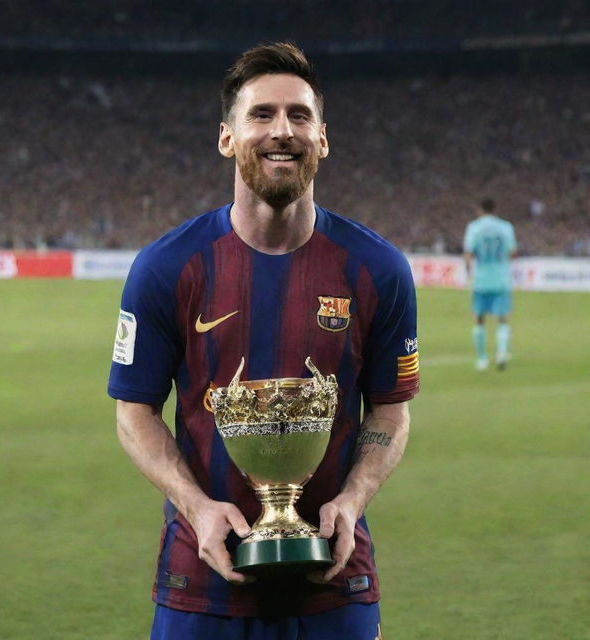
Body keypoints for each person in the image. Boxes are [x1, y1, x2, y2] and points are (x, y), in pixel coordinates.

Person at [108, 42, 419, 640]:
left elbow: (391, 409)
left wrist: (353, 499)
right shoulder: (167, 267)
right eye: (261, 115)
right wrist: (196, 508)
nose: (283, 131)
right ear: (227, 137)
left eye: (300, 115)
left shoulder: (378, 269)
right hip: (200, 583)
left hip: (335, 579)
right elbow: (134, 412)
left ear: (322, 139)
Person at [463, 197, 518, 370]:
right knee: (503, 319)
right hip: (501, 279)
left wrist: (468, 274)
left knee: (479, 319)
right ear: (495, 209)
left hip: (481, 279)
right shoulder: (506, 227)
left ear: (480, 210)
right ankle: (501, 354)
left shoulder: (474, 227)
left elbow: (468, 254)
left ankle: (482, 359)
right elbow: (513, 252)